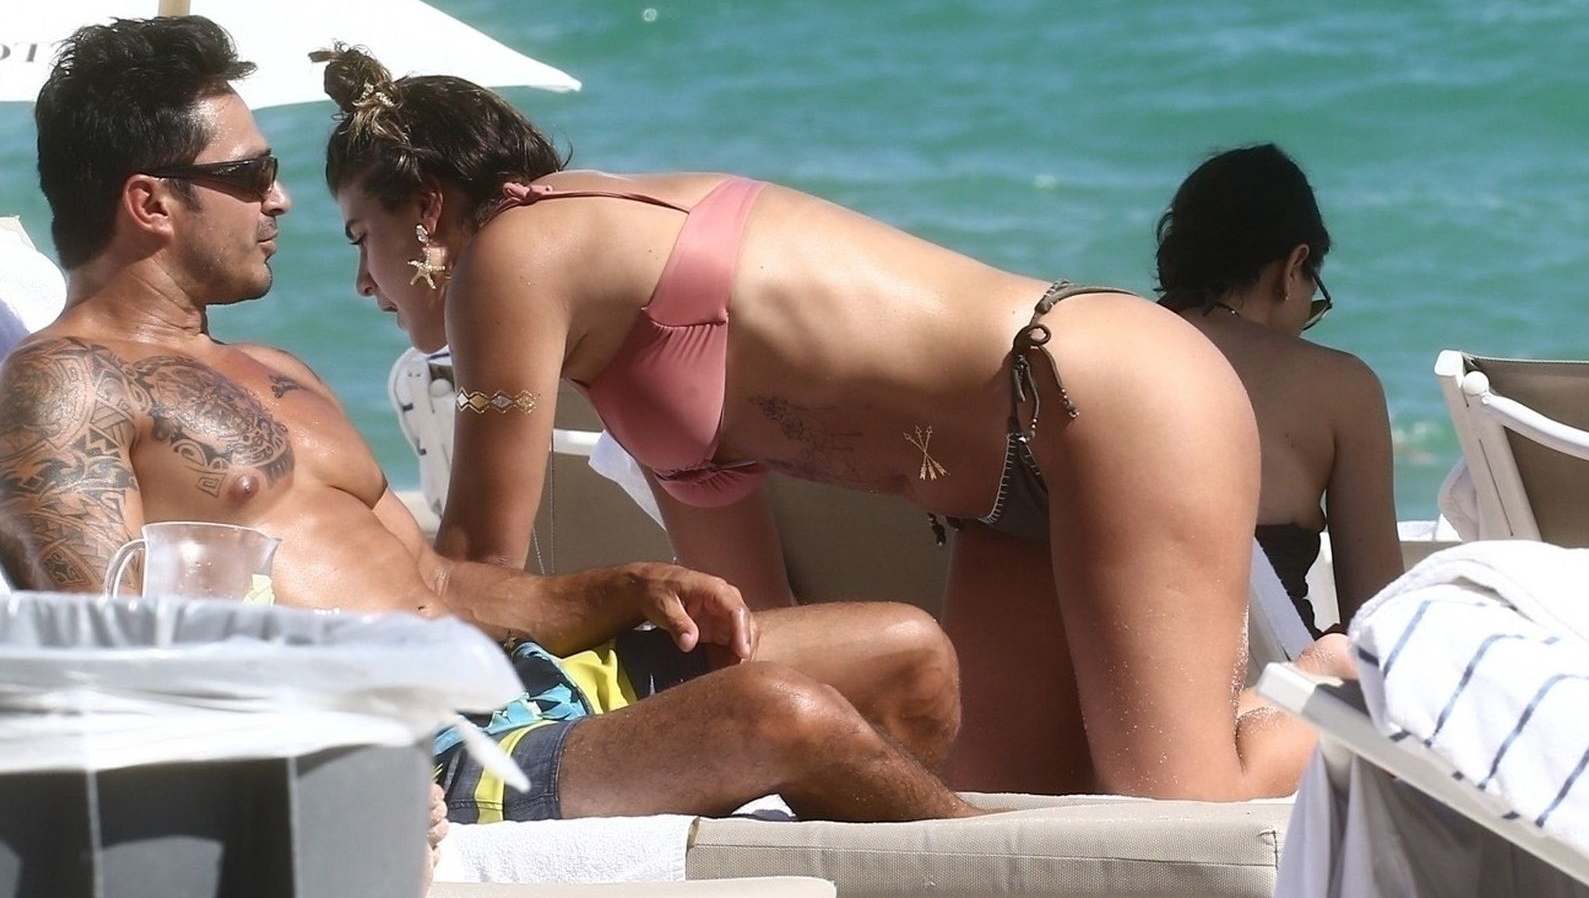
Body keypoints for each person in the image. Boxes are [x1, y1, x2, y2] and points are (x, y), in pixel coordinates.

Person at [0, 15, 978, 835]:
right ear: (150, 202)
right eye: (249, 176)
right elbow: (110, 653)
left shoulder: (273, 371)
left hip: (524, 684)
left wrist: (624, 587)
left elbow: (443, 585)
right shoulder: (63, 390)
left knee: (904, 648)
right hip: (429, 757)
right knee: (779, 714)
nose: (281, 200)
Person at [315, 44, 1315, 800]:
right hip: (1004, 492)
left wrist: (338, 643)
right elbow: (752, 627)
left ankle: (1348, 696)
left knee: (1179, 803)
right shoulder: (614, 353)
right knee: (1005, 802)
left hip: (1105, 390)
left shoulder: (516, 252)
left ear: (429, 209)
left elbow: (473, 564)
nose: (363, 279)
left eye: (364, 236)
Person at [1155, 145, 1402, 674]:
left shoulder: (1104, 354)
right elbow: (1378, 621)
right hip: (1273, 695)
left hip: (1110, 684)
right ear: (1292, 268)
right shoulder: (1342, 387)